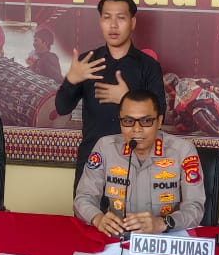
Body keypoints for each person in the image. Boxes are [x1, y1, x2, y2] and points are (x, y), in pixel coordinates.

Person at [56, 0, 164, 190]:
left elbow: (159, 117)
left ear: (132, 22)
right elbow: (61, 108)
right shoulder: (88, 62)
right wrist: (71, 80)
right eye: (107, 18)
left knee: (133, 211)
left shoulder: (148, 66)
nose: (113, 25)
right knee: (86, 210)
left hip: (135, 162)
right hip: (92, 161)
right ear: (100, 22)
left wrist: (126, 99)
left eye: (121, 18)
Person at [74, 89, 204, 237]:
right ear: (120, 121)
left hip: (165, 237)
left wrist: (163, 223)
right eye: (128, 121)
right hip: (118, 238)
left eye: (146, 121)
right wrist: (98, 219)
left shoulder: (183, 151)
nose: (136, 130)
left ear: (159, 121)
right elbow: (84, 198)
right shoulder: (105, 147)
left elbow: (195, 208)